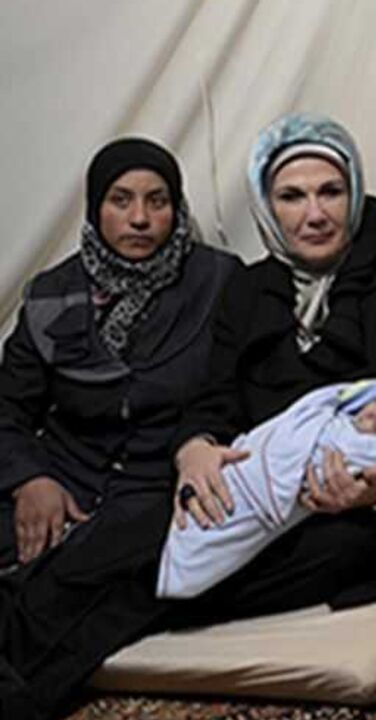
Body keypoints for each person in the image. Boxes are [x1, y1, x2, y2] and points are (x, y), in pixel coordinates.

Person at [168, 112, 376, 624]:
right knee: (151, 522)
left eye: (331, 192)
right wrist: (194, 449)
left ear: (354, 193)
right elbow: (215, 398)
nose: (315, 214)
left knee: (348, 549)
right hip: (258, 491)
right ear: (266, 206)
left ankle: (165, 608)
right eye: (291, 197)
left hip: (353, 512)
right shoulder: (245, 290)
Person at [0, 138, 240, 720]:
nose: (139, 218)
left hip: (153, 493)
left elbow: (233, 396)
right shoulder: (53, 295)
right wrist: (30, 479)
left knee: (84, 578)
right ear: (95, 208)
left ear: (177, 208)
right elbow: (7, 411)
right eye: (121, 200)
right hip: (62, 479)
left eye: (157, 201)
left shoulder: (218, 283)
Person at [158, 357, 376, 599]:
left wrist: (374, 495)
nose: (372, 413)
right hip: (230, 458)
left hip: (338, 522)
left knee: (351, 544)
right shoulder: (248, 289)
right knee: (153, 511)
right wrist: (195, 447)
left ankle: (174, 596)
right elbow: (215, 393)